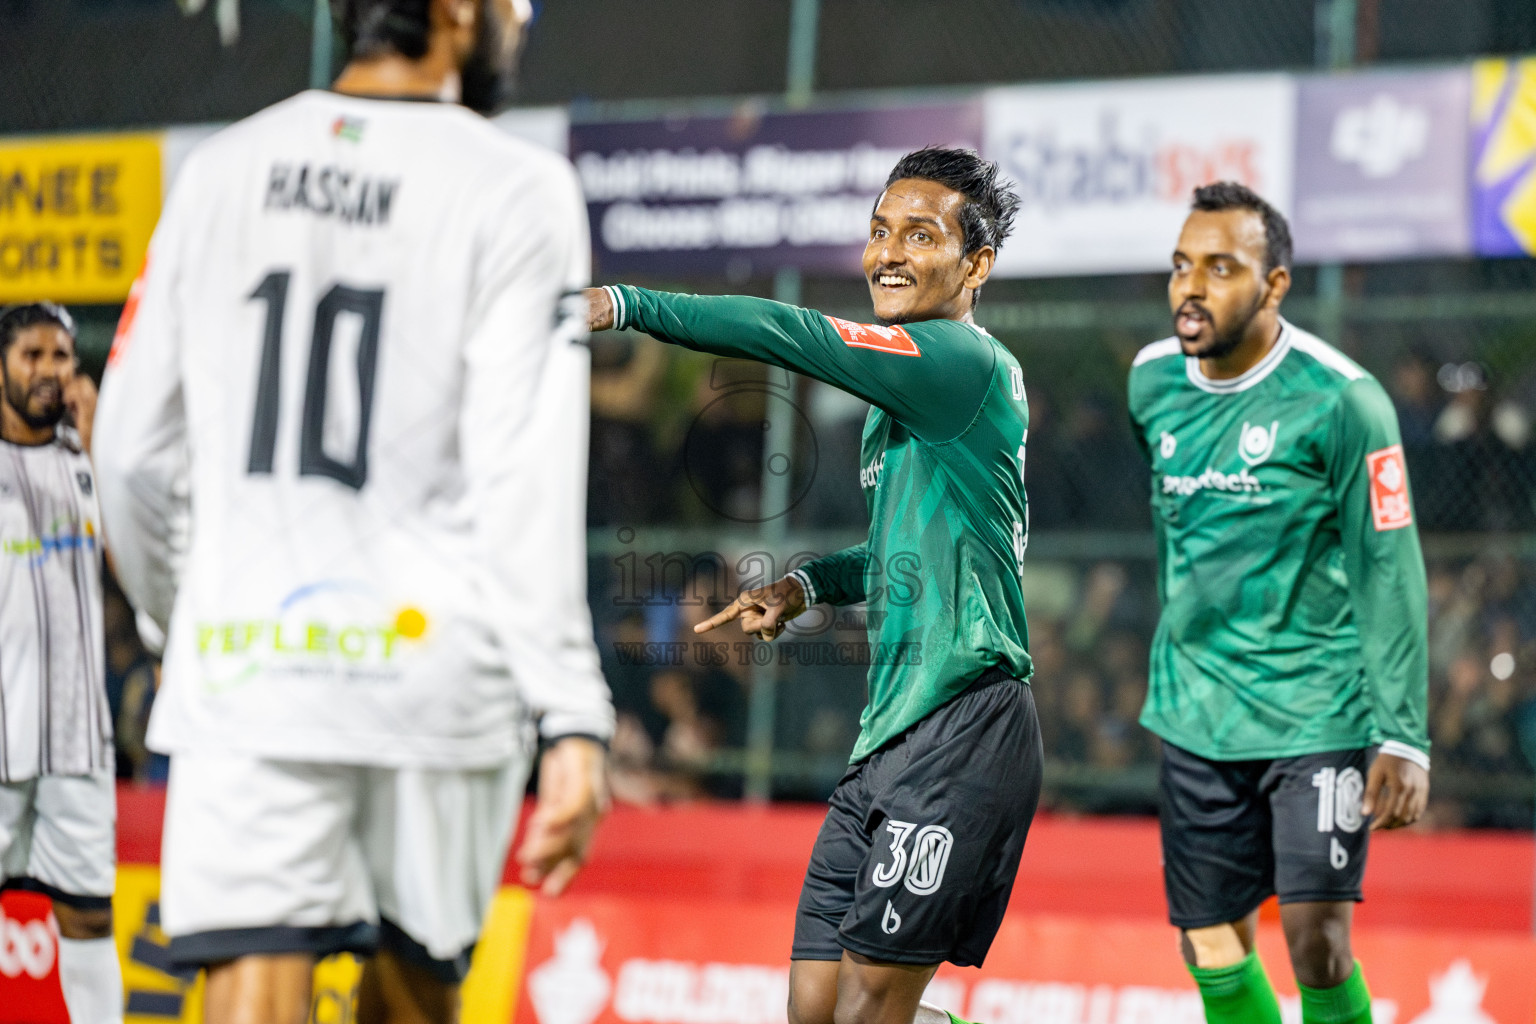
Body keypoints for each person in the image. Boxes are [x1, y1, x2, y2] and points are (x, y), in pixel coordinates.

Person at [92, 1, 614, 1022]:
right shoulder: (519, 187)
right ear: (458, 9)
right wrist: (572, 710)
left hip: (248, 663)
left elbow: (129, 454)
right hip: (436, 672)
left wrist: (184, 618)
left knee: (250, 984)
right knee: (414, 990)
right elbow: (526, 473)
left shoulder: (222, 170)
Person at [585, 146, 1039, 1024]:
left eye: (920, 234)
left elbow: (793, 335)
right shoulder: (905, 407)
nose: (889, 253)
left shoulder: (954, 360)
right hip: (890, 735)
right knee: (816, 1009)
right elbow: (900, 555)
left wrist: (630, 303)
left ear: (976, 265)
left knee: (871, 1006)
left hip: (963, 723)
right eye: (878, 232)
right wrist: (804, 588)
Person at [1127, 182, 1430, 1024]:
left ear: (1276, 284)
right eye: (1182, 265)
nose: (1192, 286)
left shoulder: (1344, 400)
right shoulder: (1152, 382)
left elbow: (1389, 568)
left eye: (1221, 268)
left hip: (1317, 710)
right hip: (1196, 711)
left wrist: (1403, 731)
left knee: (1315, 941)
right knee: (1210, 945)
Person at [0, 302, 123, 1024]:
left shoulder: (91, 462)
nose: (50, 372)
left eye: (62, 358)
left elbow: (131, 561)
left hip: (80, 745)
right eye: (32, 357)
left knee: (87, 919)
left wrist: (102, 441)